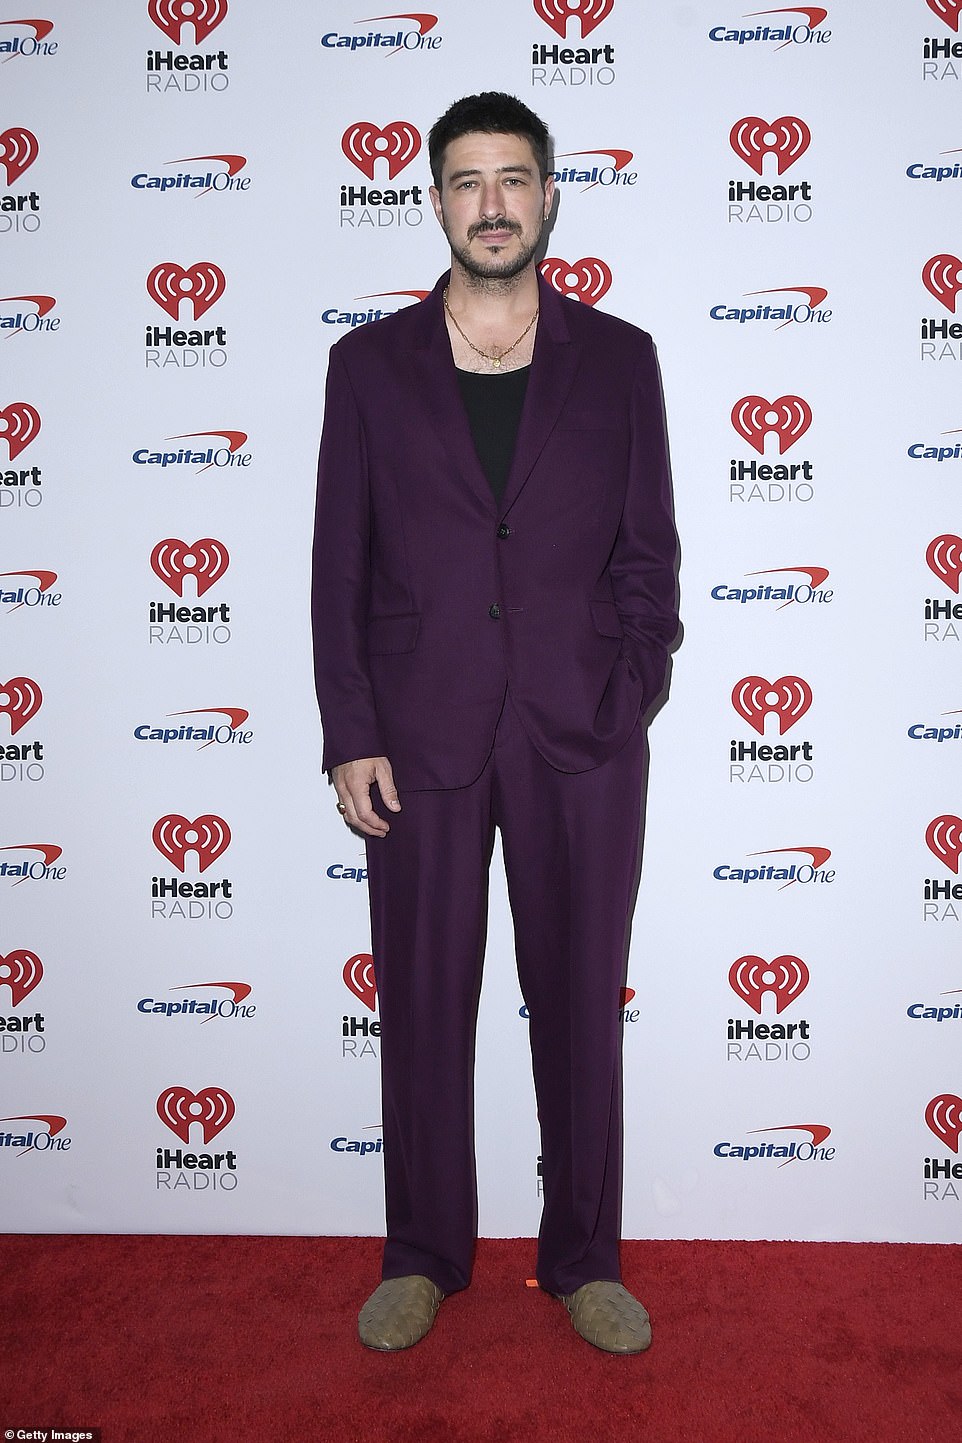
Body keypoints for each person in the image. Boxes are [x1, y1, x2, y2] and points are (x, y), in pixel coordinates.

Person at [313, 92, 678, 1354]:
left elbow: (648, 562)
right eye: (466, 182)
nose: (491, 205)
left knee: (578, 1000)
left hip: (580, 739)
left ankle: (583, 1259)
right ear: (434, 201)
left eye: (512, 179)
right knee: (418, 999)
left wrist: (623, 696)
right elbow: (336, 569)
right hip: (417, 738)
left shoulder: (620, 359)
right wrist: (350, 730)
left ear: (549, 196)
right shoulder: (364, 368)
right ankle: (422, 1254)